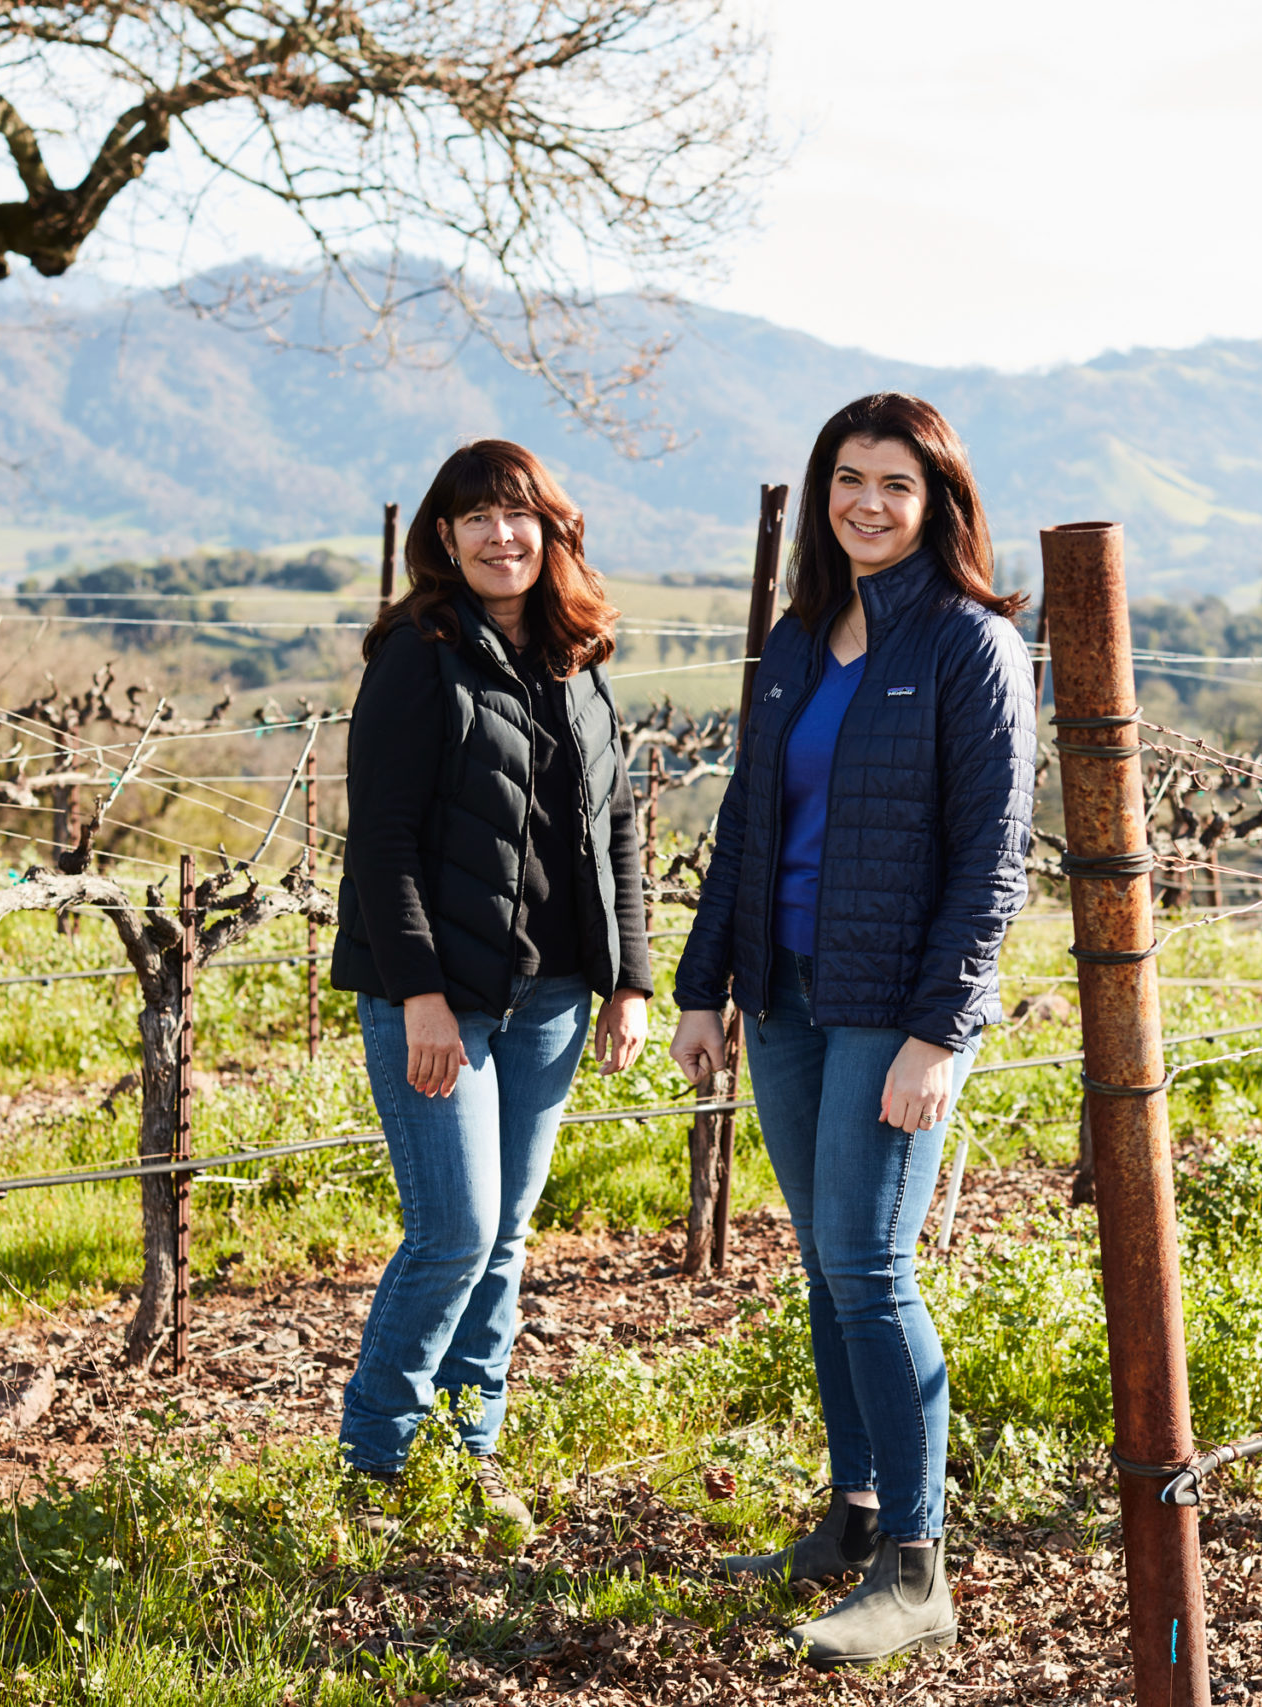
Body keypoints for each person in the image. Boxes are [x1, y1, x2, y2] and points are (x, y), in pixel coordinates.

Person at [669, 393, 1035, 1665]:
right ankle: (853, 1518)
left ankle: (919, 1571)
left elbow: (992, 865)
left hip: (894, 1009)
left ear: (937, 502)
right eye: (847, 479)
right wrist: (702, 989)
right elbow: (745, 831)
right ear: (822, 491)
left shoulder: (967, 645)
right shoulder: (794, 639)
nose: (867, 503)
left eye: (896, 483)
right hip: (785, 999)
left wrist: (941, 1033)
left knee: (873, 1269)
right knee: (826, 1268)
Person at [330, 439, 651, 1534]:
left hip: (555, 998)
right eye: (475, 519)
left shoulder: (579, 656)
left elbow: (617, 822)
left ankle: (469, 1457)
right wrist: (419, 995)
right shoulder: (417, 660)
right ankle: (373, 1462)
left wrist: (630, 980)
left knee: (506, 1235)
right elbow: (381, 842)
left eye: (518, 516)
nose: (499, 536)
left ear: (553, 531)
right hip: (443, 1001)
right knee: (454, 1231)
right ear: (444, 538)